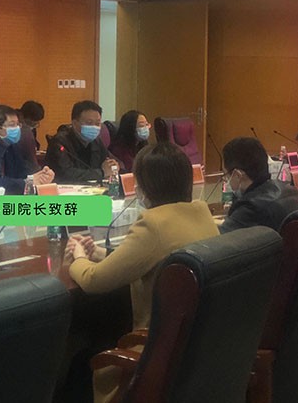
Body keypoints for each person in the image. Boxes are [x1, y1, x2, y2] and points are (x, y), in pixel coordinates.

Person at [65, 142, 219, 403]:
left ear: (144, 188)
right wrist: (99, 254)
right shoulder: (201, 213)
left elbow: (93, 280)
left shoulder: (154, 224)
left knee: (80, 360)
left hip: (159, 351)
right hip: (195, 344)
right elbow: (149, 257)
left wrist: (77, 258)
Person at [219, 137, 298, 233]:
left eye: (226, 174)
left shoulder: (251, 209)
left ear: (237, 175)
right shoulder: (290, 190)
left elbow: (219, 238)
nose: (225, 179)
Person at [45, 100, 118, 184]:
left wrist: (113, 167)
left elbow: (107, 163)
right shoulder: (59, 142)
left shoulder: (97, 141)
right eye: (89, 123)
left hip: (93, 189)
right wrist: (101, 173)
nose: (94, 127)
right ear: (75, 123)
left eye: (97, 123)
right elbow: (65, 174)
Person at [17, 100, 45, 172]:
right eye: (34, 122)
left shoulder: (30, 128)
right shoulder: (15, 126)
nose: (36, 125)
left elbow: (35, 144)